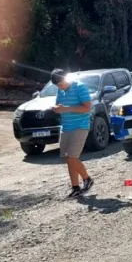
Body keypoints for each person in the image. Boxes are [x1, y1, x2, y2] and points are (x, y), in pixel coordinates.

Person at [50, 69, 94, 198]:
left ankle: (87, 179)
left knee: (72, 157)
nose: (60, 87)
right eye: (57, 86)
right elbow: (59, 104)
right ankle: (75, 187)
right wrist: (57, 108)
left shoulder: (80, 87)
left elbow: (87, 108)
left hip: (80, 126)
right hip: (66, 127)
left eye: (61, 84)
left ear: (66, 78)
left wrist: (66, 109)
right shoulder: (60, 90)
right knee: (68, 159)